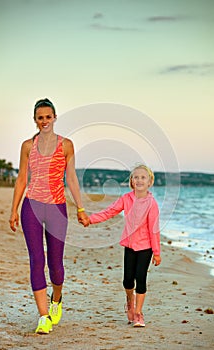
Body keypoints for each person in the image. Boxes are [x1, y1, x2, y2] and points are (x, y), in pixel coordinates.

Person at [9, 98, 89, 334]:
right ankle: (43, 316)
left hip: (57, 208)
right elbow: (22, 178)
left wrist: (81, 208)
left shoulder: (66, 145)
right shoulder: (27, 146)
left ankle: (57, 299)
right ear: (35, 120)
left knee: (55, 264)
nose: (44, 121)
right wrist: (14, 209)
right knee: (36, 260)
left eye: (48, 116)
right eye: (40, 117)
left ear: (55, 117)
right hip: (31, 207)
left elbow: (71, 178)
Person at [85, 164, 161, 327]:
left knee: (141, 279)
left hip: (146, 247)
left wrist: (157, 252)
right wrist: (90, 219)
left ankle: (139, 314)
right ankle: (129, 300)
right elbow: (109, 211)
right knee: (128, 281)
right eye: (136, 177)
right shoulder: (126, 199)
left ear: (150, 182)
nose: (139, 180)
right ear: (131, 181)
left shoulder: (152, 204)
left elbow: (154, 229)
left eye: (143, 177)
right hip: (129, 245)